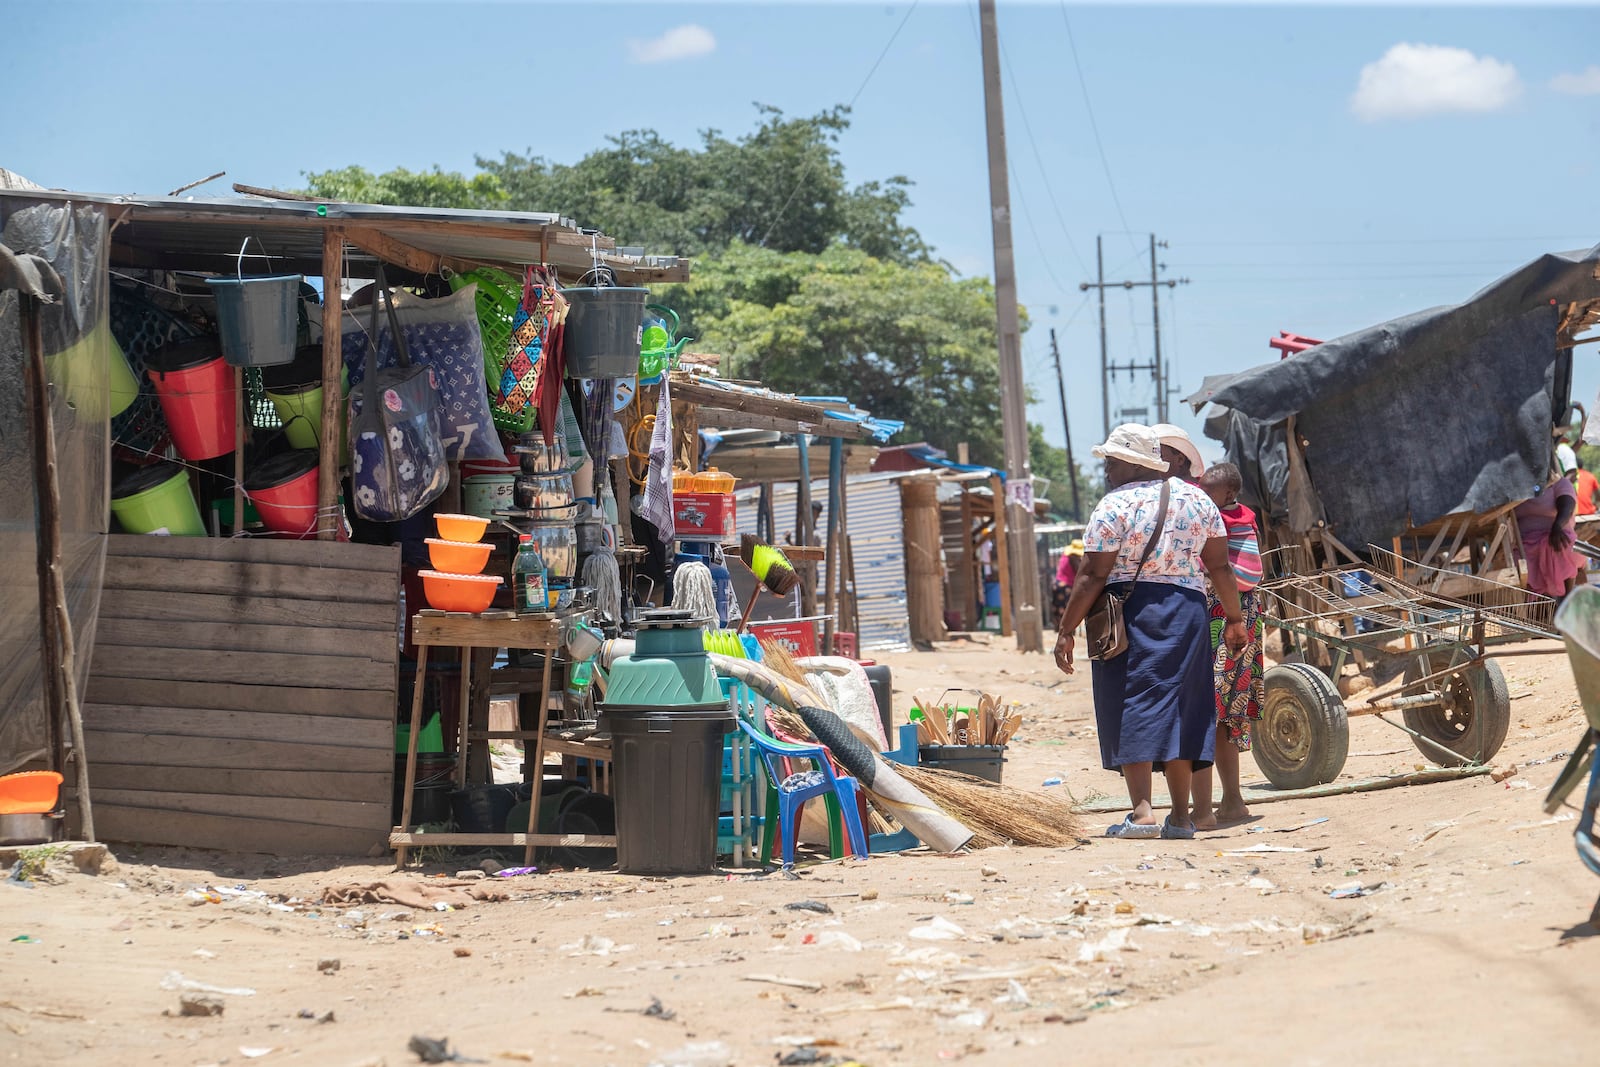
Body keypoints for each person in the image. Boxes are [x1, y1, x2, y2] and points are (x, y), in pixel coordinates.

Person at [1055, 424, 1247, 840]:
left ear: (1132, 462)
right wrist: (1234, 618)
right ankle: (1181, 817)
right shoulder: (1197, 499)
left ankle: (1142, 812)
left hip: (1130, 613)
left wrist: (1067, 629)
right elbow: (1219, 567)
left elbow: (1091, 574)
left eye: (1111, 459)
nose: (1105, 467)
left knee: (1130, 703)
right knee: (1184, 706)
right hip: (1189, 612)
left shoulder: (1113, 506)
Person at [1189, 463, 1265, 829]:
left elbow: (1241, 573)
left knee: (1221, 707)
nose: (1202, 497)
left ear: (1230, 495)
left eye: (1209, 492)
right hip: (1228, 615)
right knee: (1220, 707)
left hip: (1231, 618)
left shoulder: (1230, 523)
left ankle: (1228, 799)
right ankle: (1227, 799)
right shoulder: (1224, 516)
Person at [1515, 474, 1581, 600]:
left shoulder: (1560, 483)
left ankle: (1565, 603)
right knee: (1517, 560)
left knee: (1560, 547)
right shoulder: (1515, 488)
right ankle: (1533, 611)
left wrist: (1557, 526)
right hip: (1524, 542)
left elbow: (1567, 506)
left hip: (1556, 535)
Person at [1052, 539, 1083, 625]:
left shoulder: (1064, 556)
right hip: (1066, 586)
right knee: (1067, 612)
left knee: (1059, 610)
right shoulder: (1073, 558)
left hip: (1058, 584)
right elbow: (1078, 571)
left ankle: (1060, 630)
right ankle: (1066, 632)